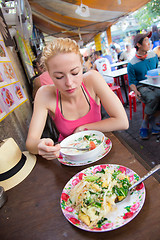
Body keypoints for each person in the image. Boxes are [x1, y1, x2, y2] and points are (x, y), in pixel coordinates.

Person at [26, 38, 129, 160]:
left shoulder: (92, 79)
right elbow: (30, 143)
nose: (69, 83)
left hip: (98, 149)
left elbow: (122, 121)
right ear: (49, 74)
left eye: (75, 73)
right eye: (59, 77)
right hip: (68, 156)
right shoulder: (44, 94)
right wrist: (40, 146)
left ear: (82, 65)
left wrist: (83, 129)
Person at [127, 32, 160, 140]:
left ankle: (154, 122)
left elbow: (157, 71)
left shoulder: (154, 56)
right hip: (142, 86)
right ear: (139, 45)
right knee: (153, 97)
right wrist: (135, 91)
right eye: (146, 40)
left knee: (158, 94)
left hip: (155, 84)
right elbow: (131, 82)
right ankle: (146, 123)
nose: (149, 43)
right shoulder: (131, 64)